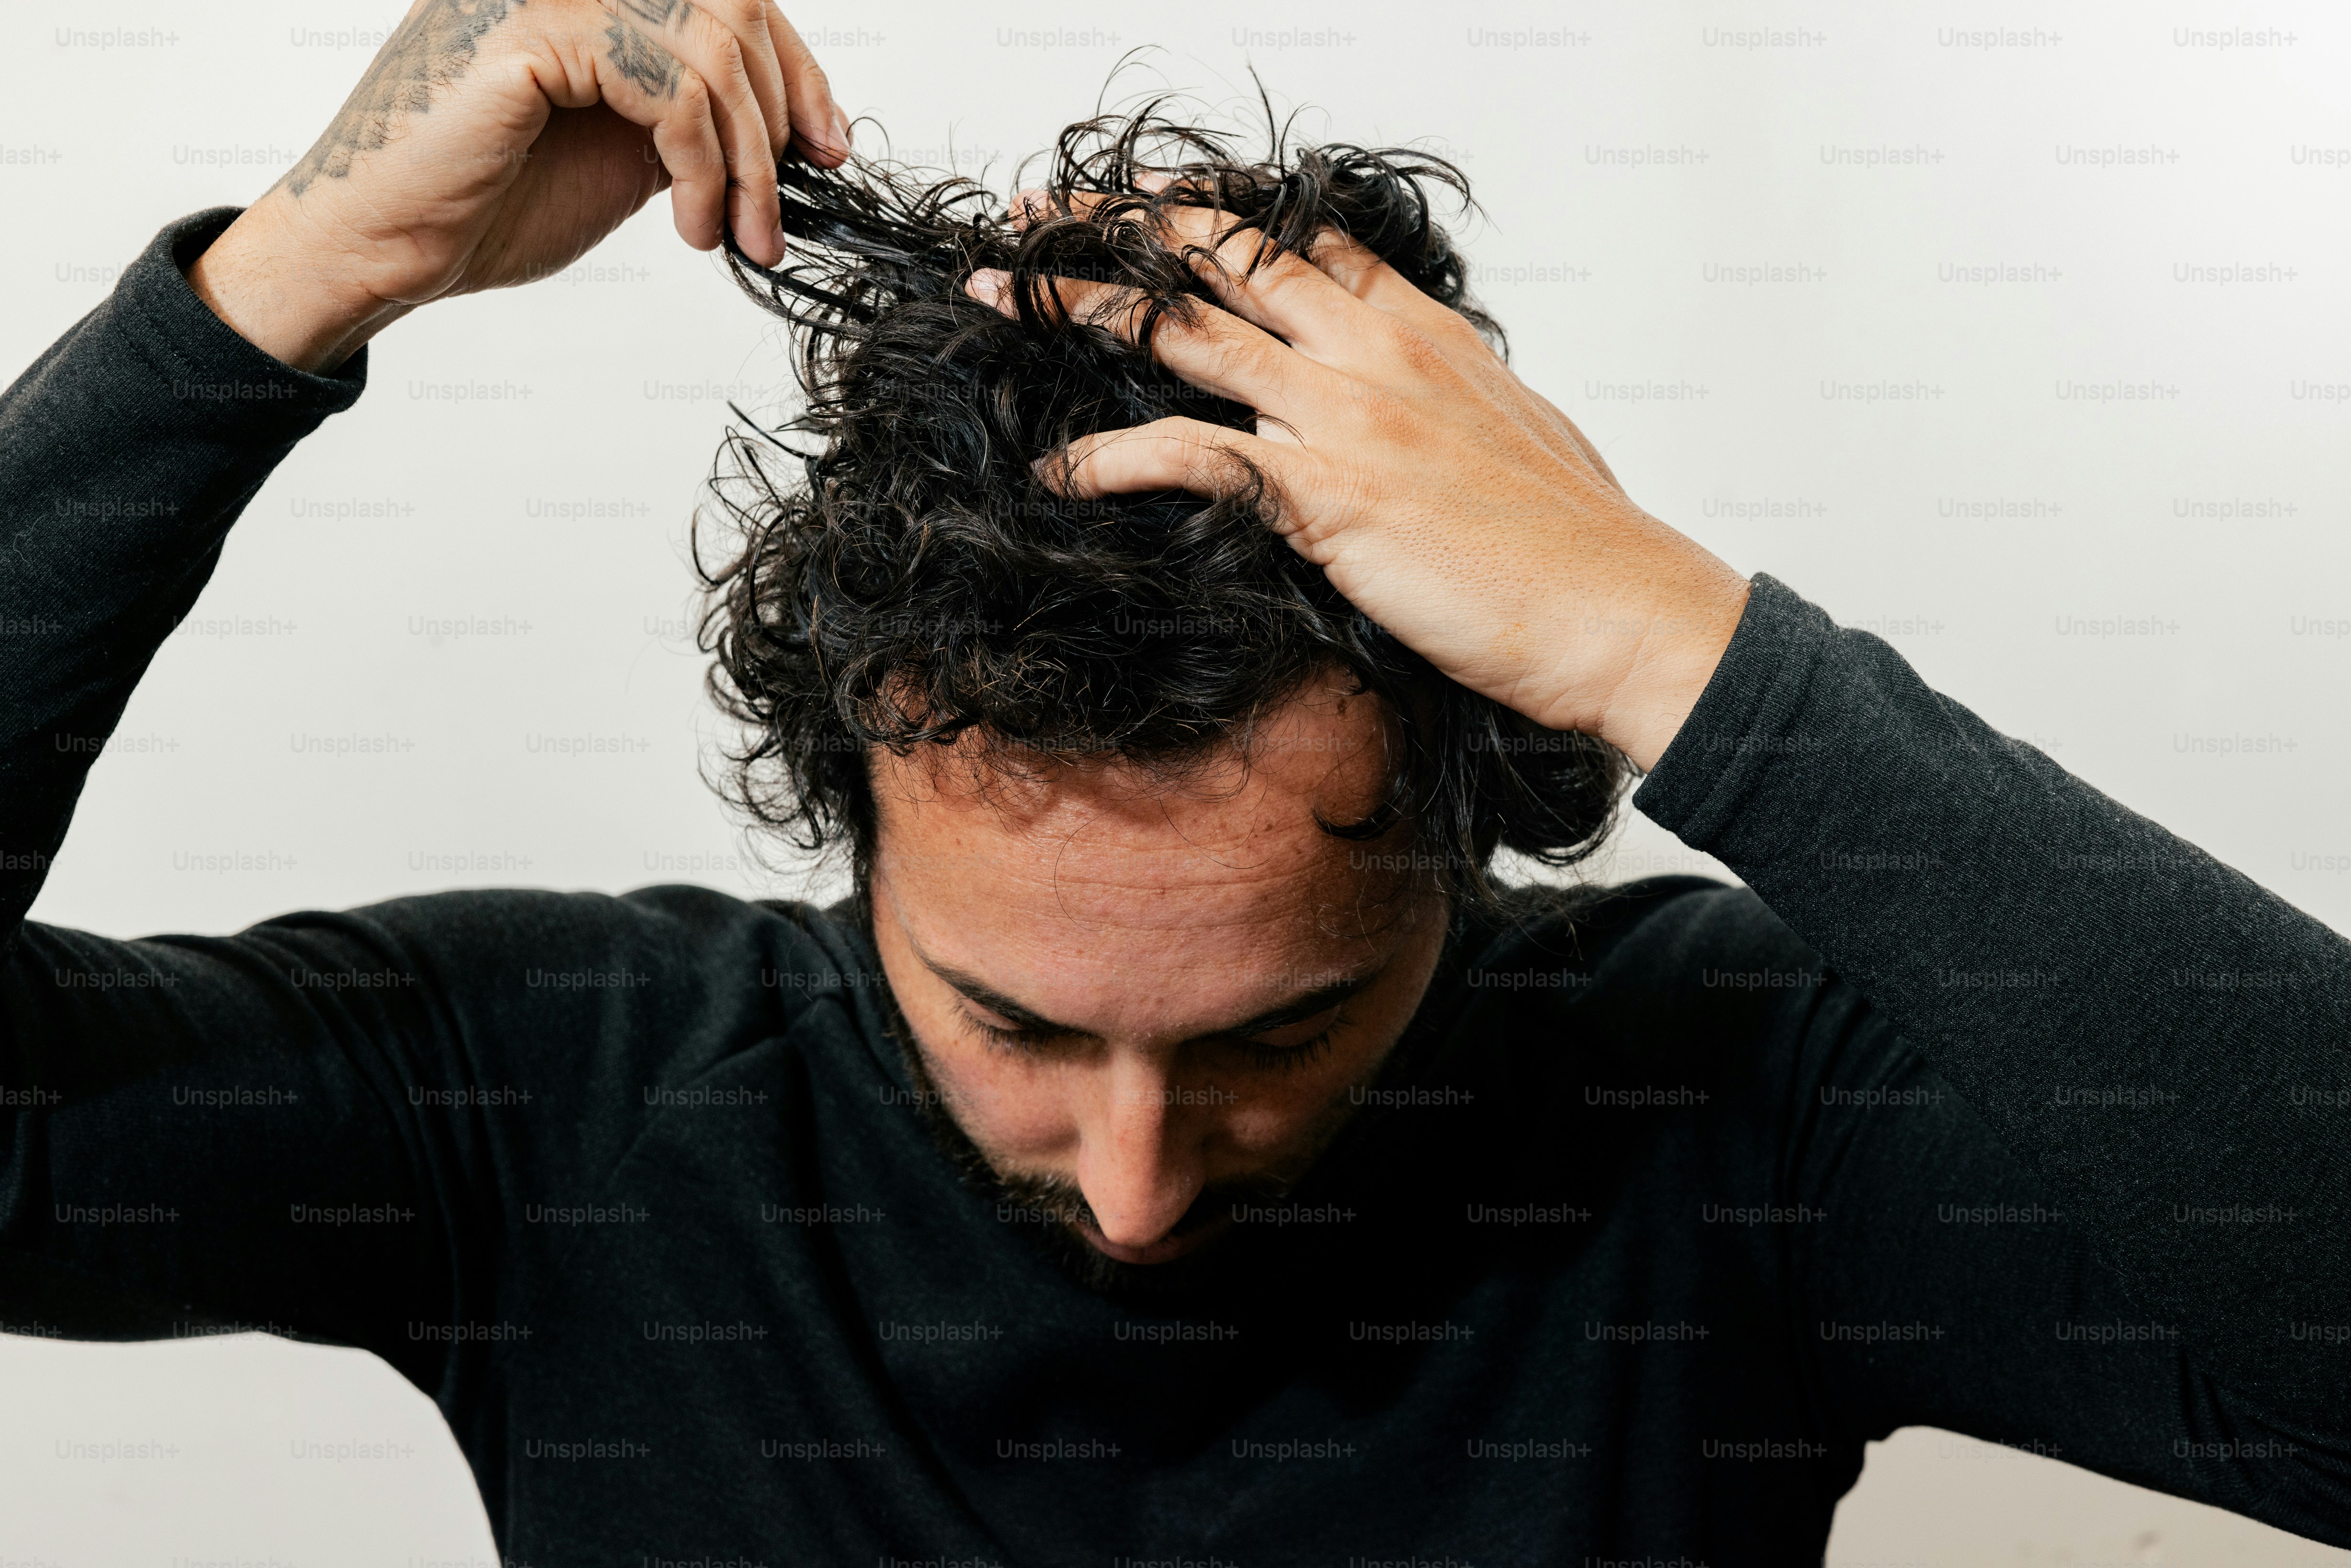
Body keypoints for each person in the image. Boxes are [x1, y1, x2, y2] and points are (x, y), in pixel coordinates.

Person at [3, 4, 2347, 1563]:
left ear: (1468, 827)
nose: (1131, 1193)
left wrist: (1667, 636)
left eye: (1276, 1032)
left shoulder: (1719, 1106)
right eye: (1010, 1022)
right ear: (851, 802)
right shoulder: (557, 1101)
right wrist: (279, 287)